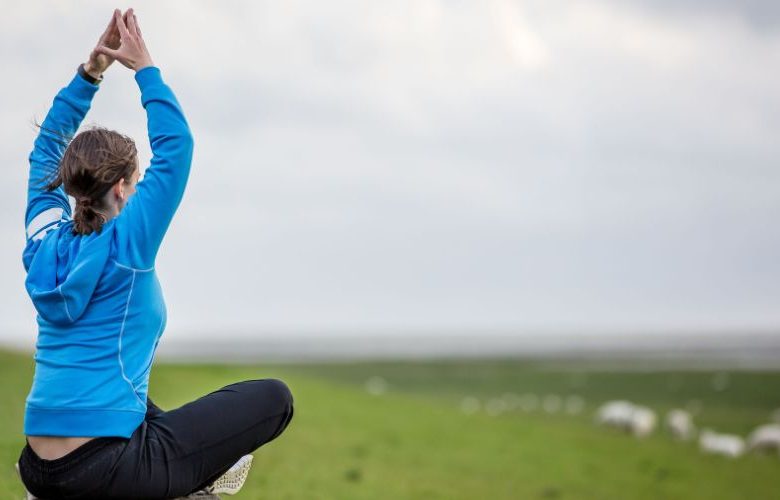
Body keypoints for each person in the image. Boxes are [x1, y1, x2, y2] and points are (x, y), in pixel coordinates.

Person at [16, 8, 294, 499]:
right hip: (106, 469)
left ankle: (183, 485)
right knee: (275, 399)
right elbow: (177, 147)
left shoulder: (42, 242)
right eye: (137, 182)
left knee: (143, 405)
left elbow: (44, 153)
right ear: (123, 189)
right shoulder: (126, 245)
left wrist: (90, 73)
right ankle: (192, 490)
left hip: (39, 466)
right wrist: (144, 67)